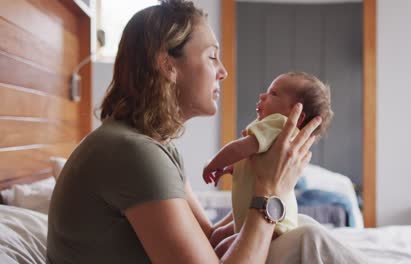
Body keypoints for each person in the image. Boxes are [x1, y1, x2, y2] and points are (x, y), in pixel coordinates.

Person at [46, 1, 363, 263]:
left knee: (301, 230)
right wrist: (269, 192)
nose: (223, 71)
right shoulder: (132, 154)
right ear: (168, 66)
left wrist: (265, 188)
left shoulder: (153, 147)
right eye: (212, 56)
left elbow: (209, 240)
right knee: (308, 239)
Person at [203, 72, 334, 238]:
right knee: (216, 236)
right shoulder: (278, 138)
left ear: (296, 114)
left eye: (273, 94)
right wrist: (231, 168)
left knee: (221, 246)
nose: (263, 96)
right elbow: (254, 163)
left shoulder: (279, 123)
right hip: (269, 217)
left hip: (272, 222)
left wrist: (214, 164)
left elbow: (238, 149)